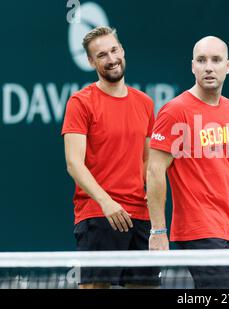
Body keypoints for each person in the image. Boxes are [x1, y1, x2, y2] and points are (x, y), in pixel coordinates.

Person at [147, 36, 229, 289]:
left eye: (215, 60)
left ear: (228, 66)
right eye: (201, 60)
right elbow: (155, 172)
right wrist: (158, 231)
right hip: (199, 230)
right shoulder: (174, 111)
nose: (208, 67)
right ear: (192, 66)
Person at [61, 26, 160, 289]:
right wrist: (107, 203)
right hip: (98, 215)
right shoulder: (80, 103)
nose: (111, 59)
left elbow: (147, 158)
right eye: (102, 55)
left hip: (139, 217)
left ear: (122, 50)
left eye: (114, 50)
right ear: (91, 62)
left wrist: (150, 190)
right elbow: (74, 163)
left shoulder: (145, 103)